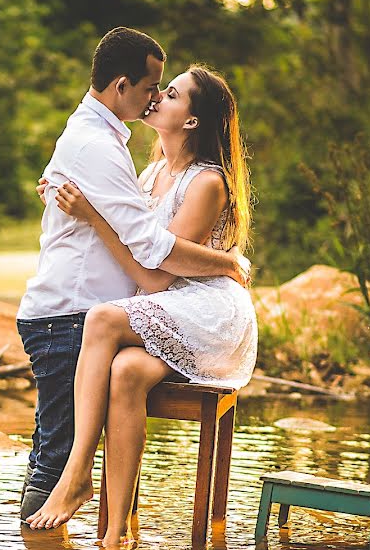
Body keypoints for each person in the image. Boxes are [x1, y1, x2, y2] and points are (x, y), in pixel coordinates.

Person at [17, 27, 250, 523]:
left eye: (167, 93)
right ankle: (112, 541)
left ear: (190, 118)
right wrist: (73, 205)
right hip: (150, 305)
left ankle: (77, 480)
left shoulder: (204, 180)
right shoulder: (141, 169)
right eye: (153, 88)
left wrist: (229, 263)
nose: (154, 99)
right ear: (122, 85)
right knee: (118, 375)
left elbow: (156, 273)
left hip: (194, 309)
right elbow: (142, 250)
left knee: (100, 328)